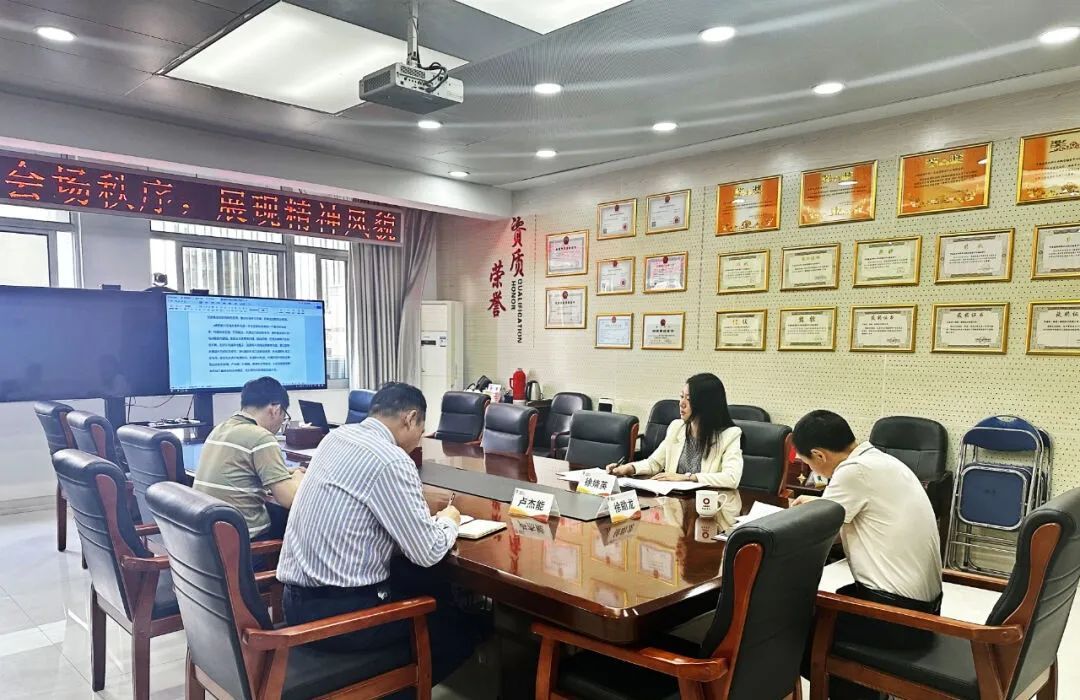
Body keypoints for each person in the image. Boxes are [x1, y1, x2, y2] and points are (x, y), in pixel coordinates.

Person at [276, 382, 480, 684]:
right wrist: (449, 520)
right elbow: (427, 552)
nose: (418, 440)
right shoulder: (392, 459)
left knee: (419, 584)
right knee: (459, 630)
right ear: (410, 418)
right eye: (421, 431)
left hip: (294, 604)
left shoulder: (335, 438)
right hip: (339, 617)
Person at [791, 410, 943, 699]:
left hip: (894, 619)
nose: (810, 469)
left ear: (819, 455)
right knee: (826, 606)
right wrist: (817, 505)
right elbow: (850, 518)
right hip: (924, 611)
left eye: (807, 462)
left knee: (794, 634)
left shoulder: (852, 472)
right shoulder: (882, 461)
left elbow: (816, 537)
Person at [193, 376, 303, 541]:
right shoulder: (261, 437)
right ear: (275, 409)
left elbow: (241, 472)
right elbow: (291, 499)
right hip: (245, 544)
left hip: (210, 540)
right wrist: (298, 476)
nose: (281, 423)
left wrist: (283, 473)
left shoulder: (220, 429)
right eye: (284, 416)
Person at [607, 373, 743, 488]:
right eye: (681, 396)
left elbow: (731, 478)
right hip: (672, 501)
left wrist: (687, 478)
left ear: (706, 404)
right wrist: (629, 468)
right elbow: (654, 463)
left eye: (689, 399)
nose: (681, 403)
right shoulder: (676, 427)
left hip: (706, 504)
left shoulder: (730, 435)